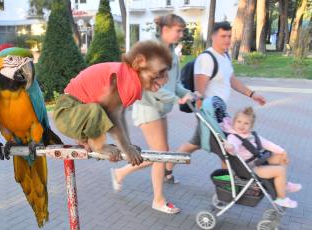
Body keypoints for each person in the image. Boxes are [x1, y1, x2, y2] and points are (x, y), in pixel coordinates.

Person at [110, 14, 196, 214]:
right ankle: (158, 199)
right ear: (165, 30)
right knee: (160, 154)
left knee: (160, 153)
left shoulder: (172, 54)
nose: (181, 34)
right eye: (178, 30)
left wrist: (187, 94)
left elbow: (175, 85)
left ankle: (121, 173)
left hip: (160, 109)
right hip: (148, 108)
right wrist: (177, 100)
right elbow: (149, 86)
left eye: (182, 30)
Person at [166, 21, 267, 175]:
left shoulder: (225, 56)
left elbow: (231, 80)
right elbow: (199, 91)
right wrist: (204, 117)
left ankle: (167, 169)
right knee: (223, 148)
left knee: (194, 144)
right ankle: (227, 186)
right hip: (209, 114)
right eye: (223, 36)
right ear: (213, 36)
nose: (227, 39)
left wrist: (252, 94)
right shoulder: (206, 59)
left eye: (229, 36)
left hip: (220, 113)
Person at [53, 40, 172, 166]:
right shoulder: (125, 79)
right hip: (67, 113)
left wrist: (128, 145)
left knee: (101, 111)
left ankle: (87, 141)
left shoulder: (127, 78)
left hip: (76, 114)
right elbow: (110, 115)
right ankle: (96, 145)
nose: (164, 77)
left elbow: (119, 116)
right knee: (98, 110)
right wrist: (125, 147)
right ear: (139, 63)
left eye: (166, 71)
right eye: (160, 72)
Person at [224, 107, 301, 208]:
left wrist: (283, 151)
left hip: (257, 161)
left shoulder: (250, 135)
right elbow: (234, 148)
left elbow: (267, 144)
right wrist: (230, 147)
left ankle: (283, 184)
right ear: (234, 122)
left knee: (281, 157)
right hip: (250, 168)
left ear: (251, 126)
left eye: (246, 123)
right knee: (280, 170)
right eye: (239, 122)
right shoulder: (234, 137)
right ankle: (281, 199)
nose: (242, 125)